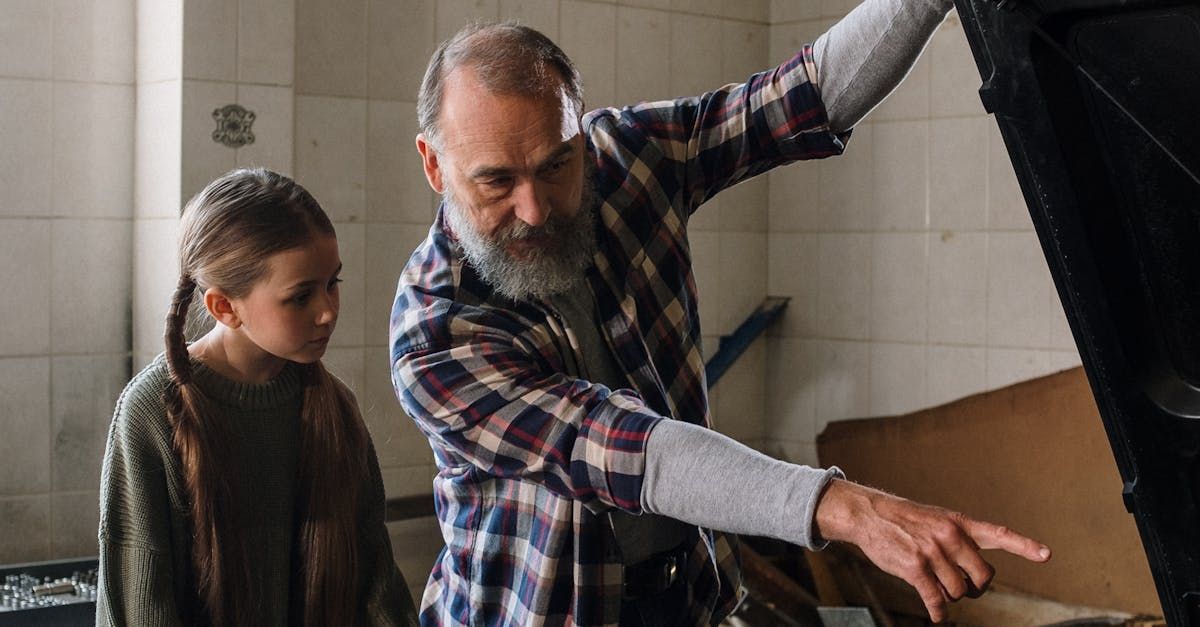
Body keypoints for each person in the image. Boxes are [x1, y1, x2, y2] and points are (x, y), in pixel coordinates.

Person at [388, 0, 1051, 624]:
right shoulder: (434, 331)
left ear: (581, 130)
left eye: (556, 164)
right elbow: (628, 449)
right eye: (497, 180)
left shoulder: (623, 158)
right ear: (434, 165)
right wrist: (842, 506)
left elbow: (799, 100)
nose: (535, 209)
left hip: (688, 594)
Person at [97, 168, 419, 626]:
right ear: (224, 307)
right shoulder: (152, 413)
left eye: (333, 283)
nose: (327, 311)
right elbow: (141, 602)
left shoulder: (335, 408)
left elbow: (376, 586)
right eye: (300, 296)